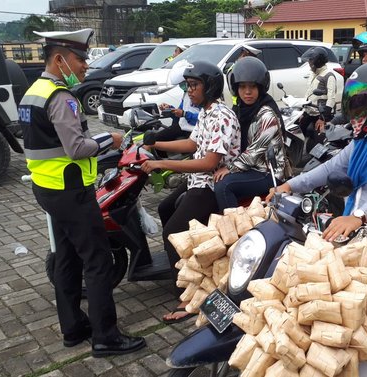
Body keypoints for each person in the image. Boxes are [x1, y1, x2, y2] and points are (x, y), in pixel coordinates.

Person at [268, 61, 367, 376]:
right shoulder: (366, 137)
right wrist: (289, 184)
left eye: (362, 99)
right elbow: (329, 169)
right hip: (360, 231)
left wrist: (359, 216)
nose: (355, 107)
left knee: (364, 319)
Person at [19, 28, 145, 357]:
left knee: (67, 258)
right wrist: (111, 140)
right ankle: (107, 337)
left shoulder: (33, 91)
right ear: (59, 59)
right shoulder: (61, 97)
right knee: (98, 261)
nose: (84, 66)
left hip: (46, 187)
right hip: (71, 189)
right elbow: (76, 147)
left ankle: (73, 328)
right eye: (79, 59)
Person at [141, 61, 241, 324]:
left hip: (211, 183)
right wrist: (155, 143)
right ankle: (183, 263)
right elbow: (192, 142)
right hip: (197, 180)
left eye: (194, 85)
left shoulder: (222, 116)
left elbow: (209, 163)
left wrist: (163, 163)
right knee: (164, 209)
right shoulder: (207, 113)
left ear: (210, 87)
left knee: (171, 232)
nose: (189, 91)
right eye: (188, 85)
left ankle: (187, 299)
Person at [213, 57, 289, 211]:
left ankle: (236, 230)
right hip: (251, 168)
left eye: (252, 87)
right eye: (242, 87)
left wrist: (230, 168)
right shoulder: (240, 109)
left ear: (260, 88)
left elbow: (254, 153)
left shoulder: (267, 115)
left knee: (224, 186)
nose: (247, 92)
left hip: (268, 172)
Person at [299, 47, 337, 153]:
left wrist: (323, 118)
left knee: (318, 139)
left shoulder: (329, 76)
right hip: (310, 111)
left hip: (321, 114)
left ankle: (317, 161)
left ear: (318, 61)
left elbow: (331, 98)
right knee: (298, 131)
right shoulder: (313, 74)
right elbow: (309, 93)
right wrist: (303, 110)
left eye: (311, 61)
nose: (309, 64)